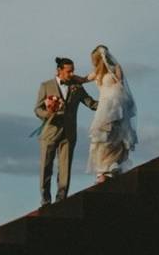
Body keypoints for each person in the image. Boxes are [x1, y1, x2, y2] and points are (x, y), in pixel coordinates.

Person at [34, 56, 97, 206]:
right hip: (49, 132)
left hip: (69, 134)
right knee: (46, 167)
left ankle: (61, 200)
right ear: (59, 71)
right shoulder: (46, 86)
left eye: (73, 71)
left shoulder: (77, 87)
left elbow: (92, 103)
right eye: (68, 71)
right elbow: (37, 109)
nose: (71, 74)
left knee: (65, 168)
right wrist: (48, 114)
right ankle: (45, 200)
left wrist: (110, 102)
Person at [79, 45, 138, 183]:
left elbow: (120, 84)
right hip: (108, 106)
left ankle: (109, 168)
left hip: (113, 106)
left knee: (113, 137)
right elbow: (82, 79)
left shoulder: (112, 69)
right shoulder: (98, 72)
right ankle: (104, 169)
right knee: (103, 138)